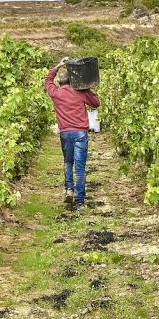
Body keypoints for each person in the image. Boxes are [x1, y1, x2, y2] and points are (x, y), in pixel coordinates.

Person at [44, 57, 100, 210]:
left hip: (65, 134)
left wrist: (58, 65)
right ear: (72, 81)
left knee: (68, 162)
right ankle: (80, 201)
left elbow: (47, 81)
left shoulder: (55, 93)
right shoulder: (80, 91)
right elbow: (96, 103)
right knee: (80, 167)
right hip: (80, 133)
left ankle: (69, 189)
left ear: (60, 82)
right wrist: (87, 88)